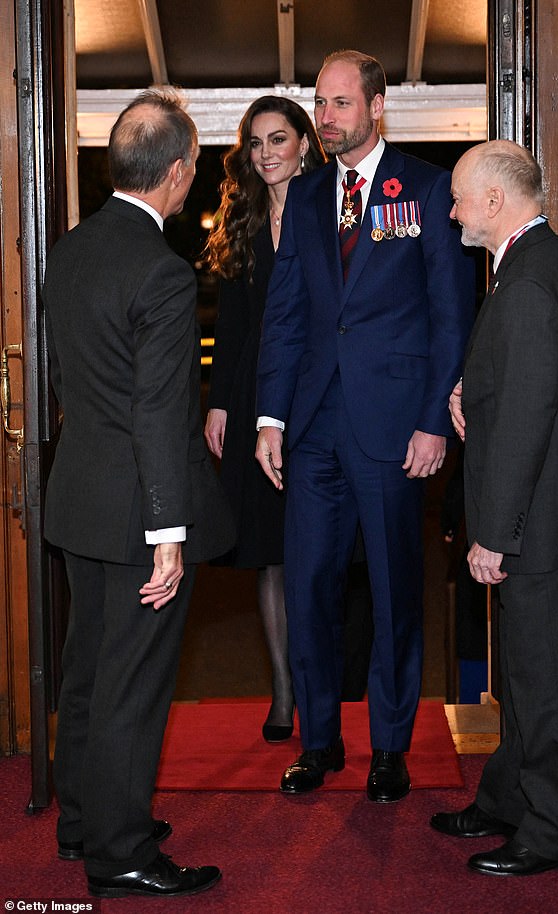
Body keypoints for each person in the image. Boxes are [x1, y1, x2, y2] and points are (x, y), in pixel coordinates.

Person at [255, 50, 475, 802]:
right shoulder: (309, 195)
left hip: (393, 430)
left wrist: (432, 421)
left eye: (341, 103)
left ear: (377, 106)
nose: (326, 118)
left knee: (392, 594)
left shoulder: (425, 187)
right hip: (312, 429)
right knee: (309, 587)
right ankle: (319, 744)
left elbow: (452, 317)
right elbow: (285, 316)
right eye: (320, 103)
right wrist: (270, 416)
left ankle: (389, 749)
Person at [43, 89, 235, 898]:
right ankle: (119, 852)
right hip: (134, 515)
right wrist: (169, 533)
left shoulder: (73, 249)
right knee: (130, 683)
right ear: (179, 173)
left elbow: (74, 384)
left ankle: (85, 816)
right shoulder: (158, 271)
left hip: (79, 499)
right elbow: (160, 411)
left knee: (88, 668)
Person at [431, 139, 558, 875]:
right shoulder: (539, 266)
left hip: (544, 520)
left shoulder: (535, 281)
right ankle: (508, 799)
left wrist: (493, 536)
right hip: (549, 513)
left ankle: (552, 831)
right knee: (521, 675)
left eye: (456, 199)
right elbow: (519, 389)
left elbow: (528, 422)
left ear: (492, 200)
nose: (450, 214)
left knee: (545, 684)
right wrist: (465, 394)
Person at [204, 95, 326, 742]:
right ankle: (283, 690)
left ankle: (319, 688)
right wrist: (222, 403)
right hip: (255, 399)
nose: (266, 152)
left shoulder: (335, 207)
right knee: (271, 555)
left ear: (305, 142)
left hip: (320, 396)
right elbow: (232, 322)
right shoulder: (243, 215)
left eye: (278, 139)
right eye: (255, 142)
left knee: (318, 550)